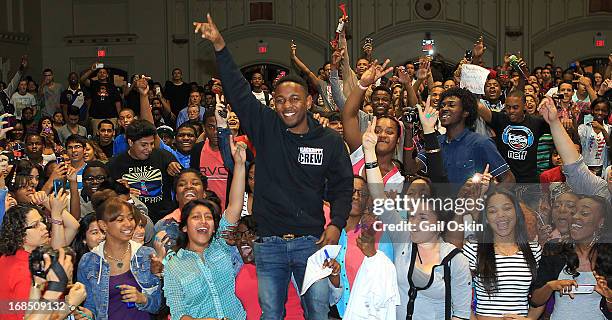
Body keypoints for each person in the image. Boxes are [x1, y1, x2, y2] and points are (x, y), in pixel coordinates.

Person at [194, 14, 353, 319]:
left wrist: (336, 224)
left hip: (312, 242)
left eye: (295, 98)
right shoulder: (265, 128)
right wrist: (220, 45)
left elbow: (344, 187)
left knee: (318, 312)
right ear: (273, 103)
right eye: (280, 100)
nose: (287, 105)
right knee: (270, 315)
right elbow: (239, 92)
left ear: (308, 102)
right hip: (269, 245)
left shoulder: (329, 142)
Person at [362, 115, 472, 319]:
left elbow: (462, 314)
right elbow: (379, 196)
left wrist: (430, 133)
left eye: (422, 218)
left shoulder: (456, 261)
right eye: (412, 217)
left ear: (439, 224)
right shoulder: (403, 240)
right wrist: (369, 152)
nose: (413, 223)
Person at [77, 198, 162, 320]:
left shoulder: (146, 255)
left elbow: (157, 306)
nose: (128, 224)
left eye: (131, 218)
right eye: (120, 220)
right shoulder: (88, 261)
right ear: (103, 225)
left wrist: (142, 298)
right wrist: (87, 315)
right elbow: (91, 307)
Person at [463, 189, 543, 318]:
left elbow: (541, 294)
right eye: (493, 211)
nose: (501, 215)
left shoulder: (534, 250)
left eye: (507, 208)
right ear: (487, 219)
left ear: (517, 213)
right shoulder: (473, 249)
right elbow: (458, 294)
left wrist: (530, 318)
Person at [530, 195, 611, 319]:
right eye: (574, 212)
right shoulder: (555, 249)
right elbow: (535, 300)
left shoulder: (608, 256)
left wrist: (609, 297)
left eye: (584, 213)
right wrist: (551, 286)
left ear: (601, 222)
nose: (575, 217)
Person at [416, 87, 515, 186]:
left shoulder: (481, 143)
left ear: (465, 112)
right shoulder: (436, 142)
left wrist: (491, 197)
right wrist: (408, 128)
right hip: (442, 200)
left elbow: (508, 179)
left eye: (451, 105)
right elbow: (410, 168)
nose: (444, 108)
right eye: (442, 105)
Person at [107, 119, 181, 222]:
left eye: (151, 144)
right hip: (132, 219)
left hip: (164, 219)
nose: (149, 149)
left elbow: (181, 182)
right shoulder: (115, 164)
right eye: (144, 145)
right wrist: (121, 193)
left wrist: (175, 171)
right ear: (130, 142)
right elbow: (108, 196)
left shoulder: (164, 156)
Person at [476, 90, 550, 183]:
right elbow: (479, 107)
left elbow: (557, 127)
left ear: (524, 106)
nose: (511, 111)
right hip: (505, 180)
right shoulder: (501, 119)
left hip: (529, 181)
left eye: (515, 107)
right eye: (508, 107)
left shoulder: (536, 122)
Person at [190, 109, 229, 209]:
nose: (216, 132)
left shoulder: (235, 150)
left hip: (231, 212)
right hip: (206, 210)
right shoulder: (197, 150)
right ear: (204, 128)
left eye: (219, 127)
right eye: (211, 127)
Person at [80, 65, 122, 134]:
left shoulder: (112, 86)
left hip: (111, 117)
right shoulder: (94, 84)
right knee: (97, 137)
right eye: (100, 72)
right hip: (96, 117)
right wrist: (92, 70)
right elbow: (82, 80)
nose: (102, 74)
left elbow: (117, 102)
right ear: (97, 75)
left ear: (107, 75)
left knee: (111, 136)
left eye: (104, 72)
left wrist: (120, 116)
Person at [577, 98, 611, 176]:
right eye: (597, 110)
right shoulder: (584, 128)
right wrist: (574, 119)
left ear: (607, 113)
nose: (600, 113)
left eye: (604, 111)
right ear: (592, 111)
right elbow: (577, 141)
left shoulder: (609, 129)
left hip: (603, 168)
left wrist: (602, 129)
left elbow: (610, 146)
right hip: (586, 167)